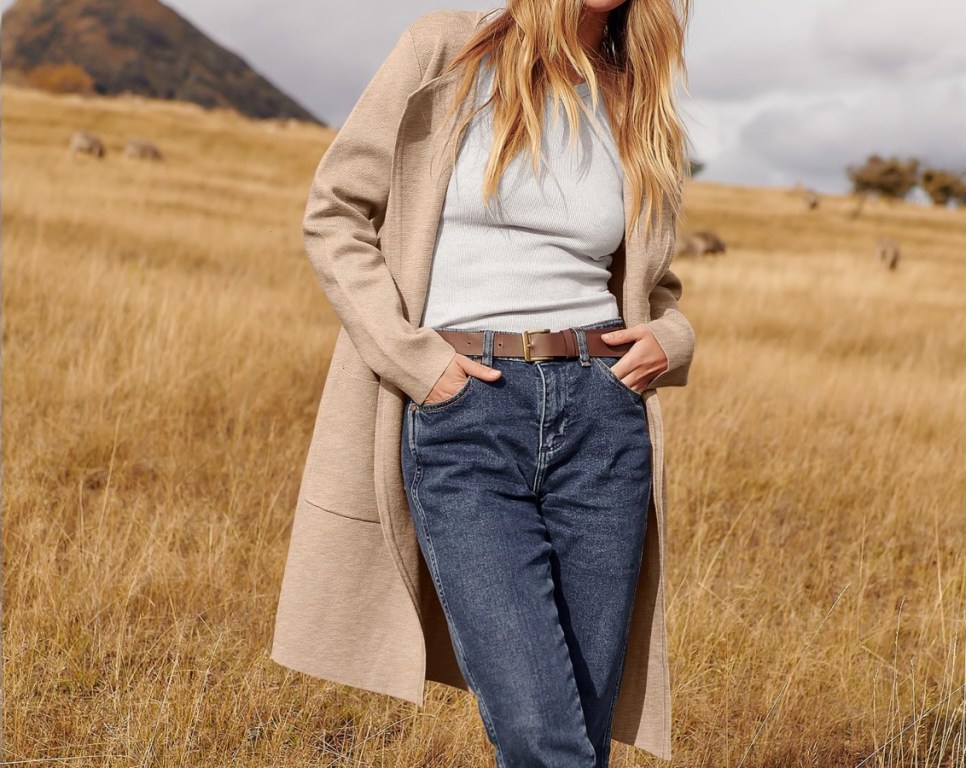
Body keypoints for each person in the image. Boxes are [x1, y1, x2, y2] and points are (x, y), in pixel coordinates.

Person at [271, 2, 697, 766]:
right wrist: (418, 364)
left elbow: (651, 283)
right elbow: (335, 213)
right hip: (468, 412)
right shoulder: (450, 49)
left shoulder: (638, 93)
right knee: (543, 734)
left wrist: (672, 338)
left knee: (579, 735)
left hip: (602, 419)